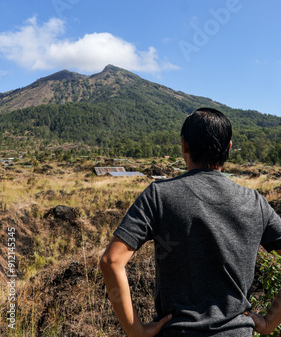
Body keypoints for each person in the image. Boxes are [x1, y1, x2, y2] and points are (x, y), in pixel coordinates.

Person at [100, 107, 281, 336]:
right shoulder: (255, 202)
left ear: (184, 145)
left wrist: (136, 330)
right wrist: (269, 322)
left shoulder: (159, 196)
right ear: (229, 148)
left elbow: (111, 261)